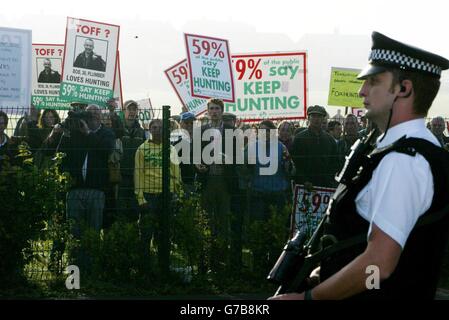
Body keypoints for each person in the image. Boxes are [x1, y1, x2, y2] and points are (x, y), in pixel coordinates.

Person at [270, 31, 449, 300]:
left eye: (374, 81)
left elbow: (379, 265)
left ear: (404, 89)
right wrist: (327, 273)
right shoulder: (414, 150)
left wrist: (311, 298)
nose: (361, 91)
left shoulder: (403, 160)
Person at [291, 105, 338, 188]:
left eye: (319, 116)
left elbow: (334, 163)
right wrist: (303, 181)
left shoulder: (330, 140)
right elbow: (295, 162)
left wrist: (329, 180)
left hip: (325, 186)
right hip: (304, 186)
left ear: (323, 118)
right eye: (313, 116)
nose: (316, 119)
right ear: (309, 118)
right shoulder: (299, 138)